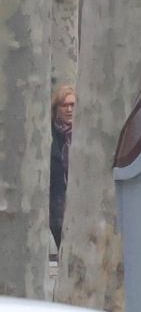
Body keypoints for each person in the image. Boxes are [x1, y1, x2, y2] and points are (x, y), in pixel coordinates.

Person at [49, 84, 74, 251]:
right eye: (65, 105)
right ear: (56, 108)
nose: (69, 109)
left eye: (73, 105)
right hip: (56, 200)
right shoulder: (49, 134)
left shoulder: (83, 134)